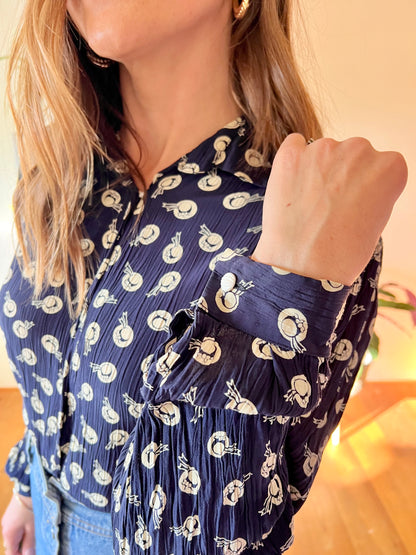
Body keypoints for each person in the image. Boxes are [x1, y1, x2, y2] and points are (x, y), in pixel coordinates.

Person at [0, 0, 407, 553]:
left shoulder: (307, 226)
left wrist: (285, 283)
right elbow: (48, 363)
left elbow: (216, 533)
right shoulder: (63, 165)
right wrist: (30, 490)